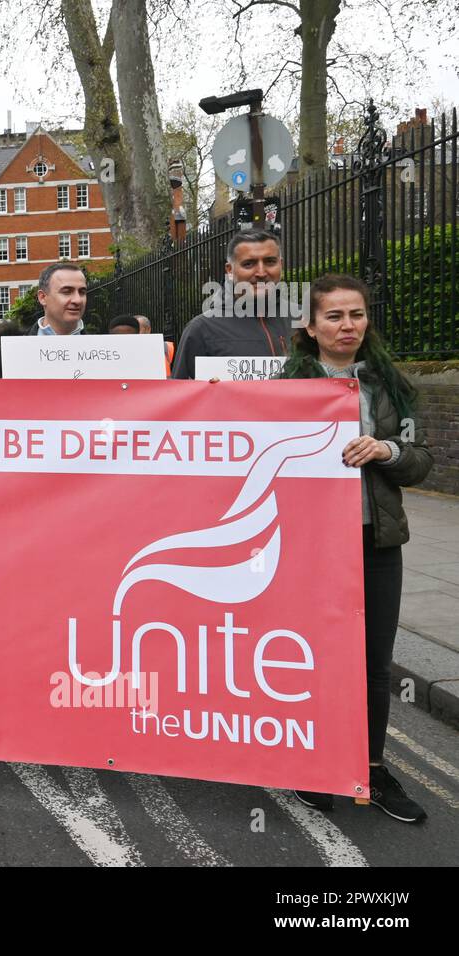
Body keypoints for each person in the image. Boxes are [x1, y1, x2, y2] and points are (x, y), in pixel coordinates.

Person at [279, 274, 433, 823]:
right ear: (310, 325)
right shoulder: (287, 385)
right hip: (312, 546)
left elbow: (421, 459)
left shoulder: (387, 384)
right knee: (316, 657)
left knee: (372, 664)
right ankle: (316, 764)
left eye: (357, 315)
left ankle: (371, 767)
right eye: (335, 317)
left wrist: (387, 448)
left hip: (376, 541)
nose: (348, 326)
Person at [172, 229, 291, 379]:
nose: (261, 272)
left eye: (270, 262)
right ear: (229, 270)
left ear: (281, 265)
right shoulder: (201, 329)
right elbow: (182, 396)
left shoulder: (304, 321)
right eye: (249, 264)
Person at [0, 263, 89, 378]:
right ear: (42, 297)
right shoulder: (7, 355)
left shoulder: (105, 354)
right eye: (67, 291)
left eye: (82, 292)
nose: (77, 300)